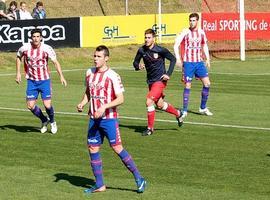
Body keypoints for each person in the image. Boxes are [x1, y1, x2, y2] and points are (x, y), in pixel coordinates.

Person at [77, 45, 146, 194]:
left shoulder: (113, 75)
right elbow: (88, 92)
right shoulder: (89, 73)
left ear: (106, 58)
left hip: (109, 119)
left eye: (99, 56)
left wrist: (104, 107)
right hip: (93, 119)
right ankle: (100, 185)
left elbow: (121, 98)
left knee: (117, 148)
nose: (95, 59)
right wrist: (83, 102)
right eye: (94, 56)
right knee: (93, 148)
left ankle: (139, 178)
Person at [16, 28, 67, 134]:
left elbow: (55, 62)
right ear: (31, 37)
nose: (36, 38)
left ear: (41, 38)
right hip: (31, 81)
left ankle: (52, 122)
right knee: (30, 105)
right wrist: (18, 73)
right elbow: (18, 57)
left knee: (47, 105)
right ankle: (44, 120)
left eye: (38, 36)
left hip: (44, 80)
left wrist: (61, 76)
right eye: (34, 36)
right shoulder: (25, 48)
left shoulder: (47, 48)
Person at [133, 28, 183, 136]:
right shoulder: (142, 50)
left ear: (153, 39)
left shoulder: (160, 50)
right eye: (145, 37)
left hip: (160, 81)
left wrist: (168, 74)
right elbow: (135, 62)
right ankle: (178, 114)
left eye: (149, 37)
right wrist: (138, 66)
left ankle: (150, 129)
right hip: (150, 82)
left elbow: (173, 59)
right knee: (160, 105)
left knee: (149, 102)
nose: (146, 39)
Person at [174, 12, 213, 118]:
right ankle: (185, 110)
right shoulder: (185, 32)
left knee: (207, 84)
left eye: (194, 20)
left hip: (199, 62)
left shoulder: (201, 32)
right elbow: (176, 44)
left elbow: (204, 45)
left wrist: (208, 59)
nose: (192, 23)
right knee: (187, 85)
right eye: (190, 21)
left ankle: (203, 107)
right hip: (188, 63)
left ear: (197, 21)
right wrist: (178, 58)